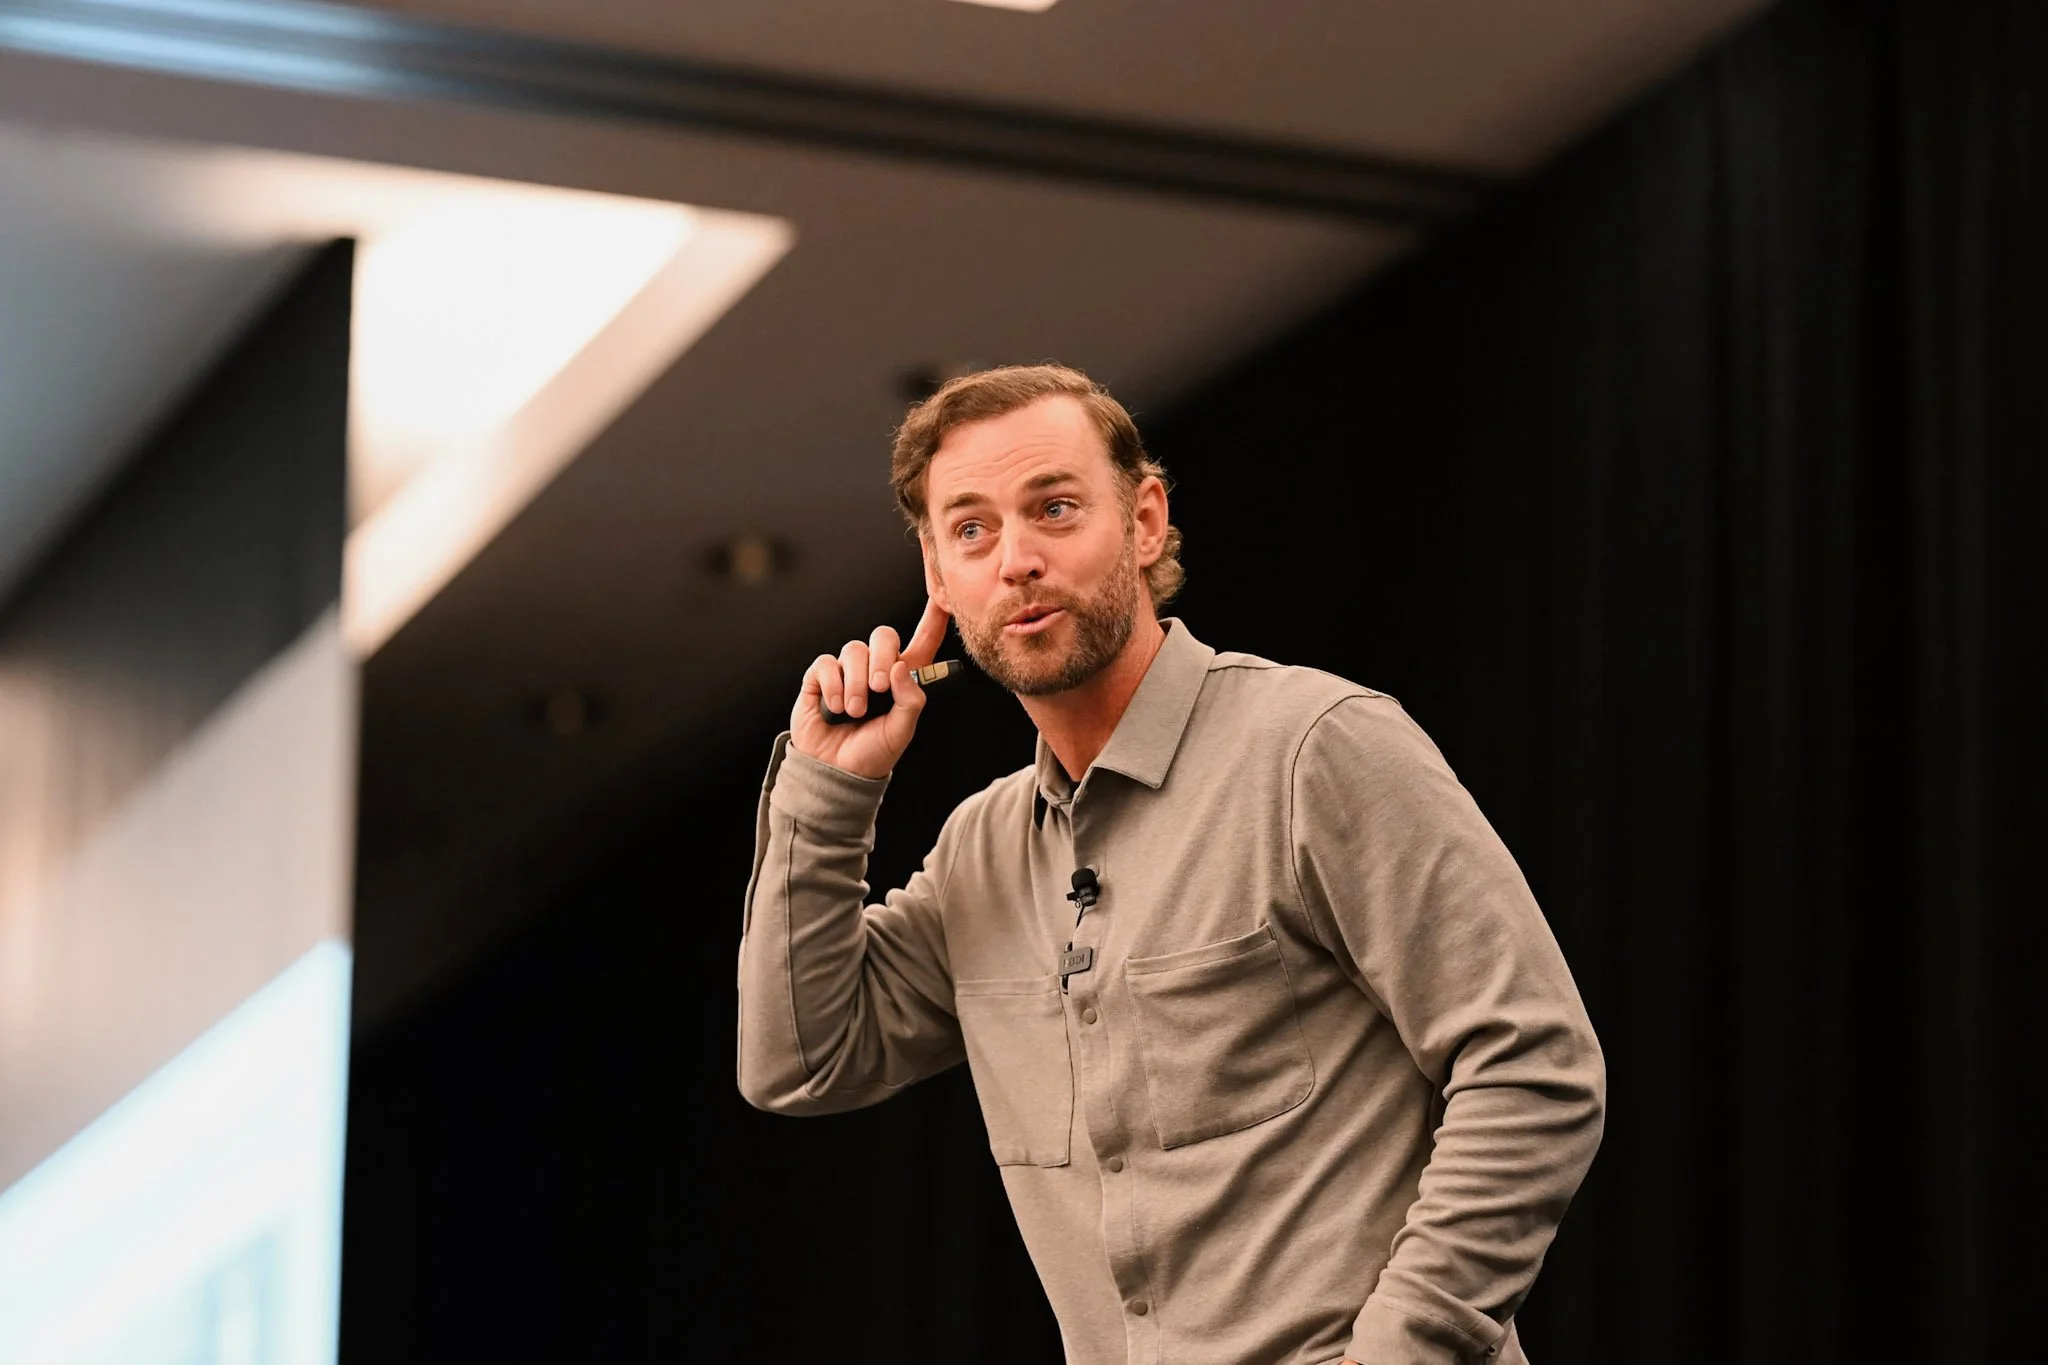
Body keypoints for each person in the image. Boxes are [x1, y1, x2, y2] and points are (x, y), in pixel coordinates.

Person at [736, 364, 1605, 1365]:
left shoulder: (1313, 748)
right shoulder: (980, 851)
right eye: (971, 530)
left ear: (1145, 521)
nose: (1016, 560)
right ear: (937, 576)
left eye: (1055, 508)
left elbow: (1532, 1067)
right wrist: (827, 789)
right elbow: (798, 1061)